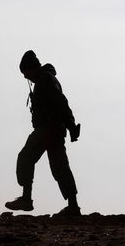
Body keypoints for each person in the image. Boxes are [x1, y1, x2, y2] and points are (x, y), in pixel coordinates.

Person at [5, 50, 81, 216]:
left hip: (48, 129)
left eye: (26, 73)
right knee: (60, 167)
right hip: (55, 129)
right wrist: (70, 126)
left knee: (26, 157)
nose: (26, 77)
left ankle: (26, 199)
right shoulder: (47, 79)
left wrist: (72, 125)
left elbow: (62, 103)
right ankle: (73, 206)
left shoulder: (45, 80)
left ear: (32, 68)